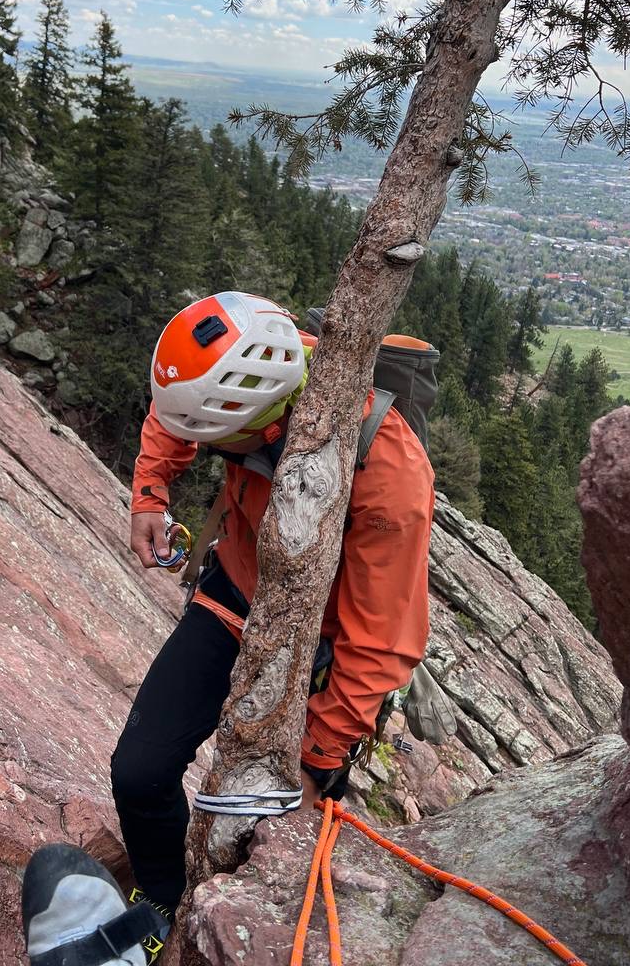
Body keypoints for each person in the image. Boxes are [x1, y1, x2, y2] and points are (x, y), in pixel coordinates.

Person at [108, 290, 435, 958]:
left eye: (214, 439)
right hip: (234, 593)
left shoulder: (389, 475)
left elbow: (380, 640)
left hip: (320, 652)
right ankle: (165, 908)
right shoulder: (248, 369)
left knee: (269, 838)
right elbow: (178, 410)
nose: (201, 446)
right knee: (139, 773)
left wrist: (317, 759)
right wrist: (150, 491)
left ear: (262, 419)